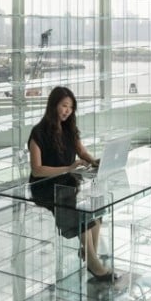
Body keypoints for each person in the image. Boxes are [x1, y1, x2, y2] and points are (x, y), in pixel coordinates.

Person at [28, 86, 118, 282]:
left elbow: (81, 151)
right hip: (45, 187)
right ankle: (93, 263)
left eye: (70, 107)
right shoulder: (38, 133)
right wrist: (68, 168)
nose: (67, 111)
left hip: (67, 183)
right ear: (53, 105)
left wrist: (94, 161)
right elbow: (37, 170)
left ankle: (90, 254)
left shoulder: (69, 129)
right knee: (79, 214)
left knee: (96, 205)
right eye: (64, 106)